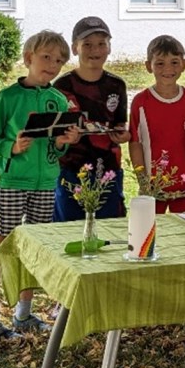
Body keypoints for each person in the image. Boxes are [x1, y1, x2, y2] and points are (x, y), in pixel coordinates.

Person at [0, 30, 80, 339]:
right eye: (46, 57)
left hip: (46, 183)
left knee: (34, 248)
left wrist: (63, 142)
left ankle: (23, 315)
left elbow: (55, 149)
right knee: (2, 246)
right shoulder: (8, 97)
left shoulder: (58, 100)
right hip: (13, 182)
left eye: (59, 61)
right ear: (28, 58)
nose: (52, 65)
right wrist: (11, 147)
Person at [54, 17, 130, 222]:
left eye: (101, 44)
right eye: (87, 44)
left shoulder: (117, 85)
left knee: (110, 227)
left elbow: (120, 125)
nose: (95, 50)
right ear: (75, 48)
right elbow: (56, 132)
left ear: (109, 48)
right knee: (68, 228)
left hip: (108, 169)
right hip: (71, 169)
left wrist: (123, 135)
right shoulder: (61, 86)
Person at [129, 35, 185, 214]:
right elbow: (135, 144)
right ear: (148, 66)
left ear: (184, 64)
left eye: (174, 62)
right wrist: (143, 182)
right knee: (150, 228)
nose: (168, 69)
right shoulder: (141, 102)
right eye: (160, 63)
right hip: (153, 188)